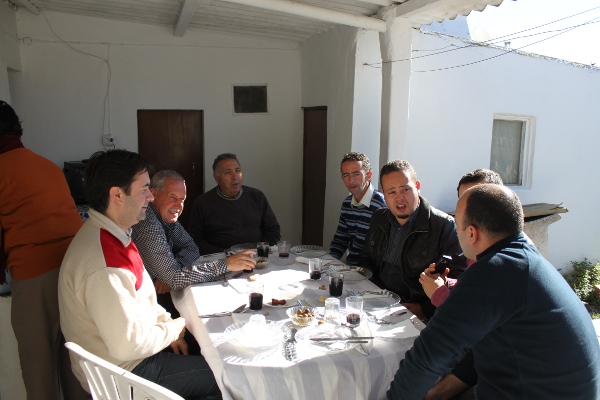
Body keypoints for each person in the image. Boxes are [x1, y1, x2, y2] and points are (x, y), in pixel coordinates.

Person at [387, 184, 600, 399]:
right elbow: (482, 348)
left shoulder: (496, 270)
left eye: (457, 226)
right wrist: (438, 393)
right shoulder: (524, 259)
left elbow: (428, 355)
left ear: (472, 233)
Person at [58, 150, 221, 399]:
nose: (150, 196)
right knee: (226, 377)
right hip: (125, 374)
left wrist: (167, 325)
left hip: (130, 360)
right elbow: (127, 346)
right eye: (144, 188)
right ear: (117, 195)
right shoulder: (104, 262)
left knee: (207, 352)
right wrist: (174, 329)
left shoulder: (115, 235)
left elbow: (143, 301)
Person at [0, 101, 87, 400]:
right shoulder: (45, 164)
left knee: (38, 365)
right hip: (74, 267)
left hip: (34, 272)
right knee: (74, 356)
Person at [131, 170, 255, 315]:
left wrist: (171, 273)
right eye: (172, 197)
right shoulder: (148, 223)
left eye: (182, 199)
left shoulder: (167, 217)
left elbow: (191, 247)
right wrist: (225, 265)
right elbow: (175, 279)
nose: (178, 206)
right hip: (143, 305)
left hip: (160, 293)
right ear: (153, 194)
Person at [359, 160, 466, 319]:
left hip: (418, 312)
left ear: (417, 187)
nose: (399, 198)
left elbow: (459, 279)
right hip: (379, 302)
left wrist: (425, 309)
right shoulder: (379, 218)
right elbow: (366, 258)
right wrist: (374, 292)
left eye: (405, 189)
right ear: (384, 194)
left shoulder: (444, 225)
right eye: (392, 192)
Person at [188, 153, 280, 254]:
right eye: (228, 173)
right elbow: (195, 239)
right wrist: (227, 255)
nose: (235, 176)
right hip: (221, 258)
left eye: (237, 170)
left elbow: (273, 229)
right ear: (216, 178)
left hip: (256, 256)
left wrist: (261, 251)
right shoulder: (202, 203)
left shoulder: (257, 196)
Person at [328, 152, 386, 266]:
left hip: (371, 272)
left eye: (356, 174)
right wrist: (328, 263)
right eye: (346, 175)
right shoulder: (347, 204)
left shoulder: (381, 205)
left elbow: (383, 252)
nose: (351, 180)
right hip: (351, 268)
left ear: (369, 175)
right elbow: (341, 240)